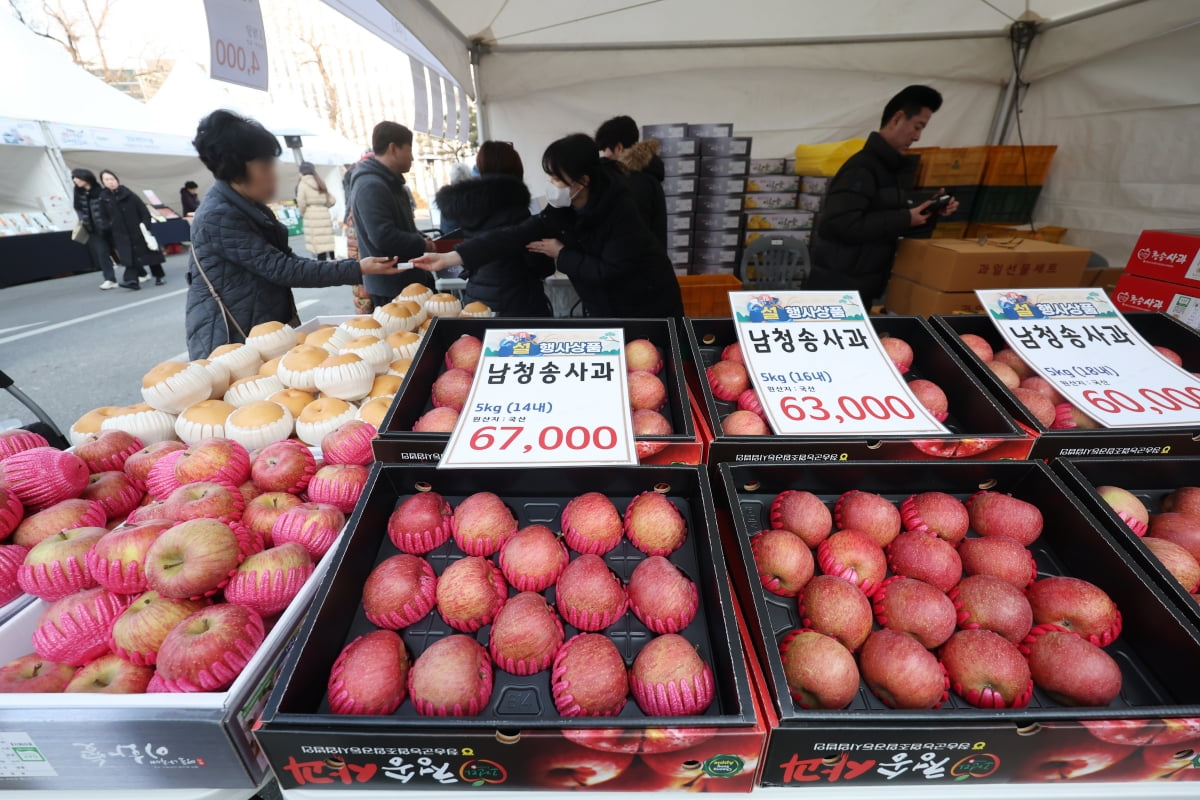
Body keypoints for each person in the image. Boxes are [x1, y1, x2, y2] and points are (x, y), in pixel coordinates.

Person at [185, 109, 402, 359]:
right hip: (232, 341)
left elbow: (287, 262)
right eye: (265, 165)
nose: (273, 174)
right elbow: (282, 269)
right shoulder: (219, 215)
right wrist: (357, 269)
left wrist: (357, 267)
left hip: (262, 331)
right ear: (236, 167)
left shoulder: (250, 207)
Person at [413, 133, 683, 318]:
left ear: (583, 180)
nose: (551, 184)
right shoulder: (563, 207)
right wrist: (453, 255)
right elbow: (513, 235)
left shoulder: (620, 211)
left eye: (556, 178)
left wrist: (561, 254)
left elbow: (609, 271)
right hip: (607, 307)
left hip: (646, 305)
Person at [810, 85, 959, 303]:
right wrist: (906, 217)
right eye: (917, 127)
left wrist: (929, 212)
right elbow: (839, 224)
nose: (917, 137)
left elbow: (885, 223)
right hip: (838, 290)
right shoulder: (861, 168)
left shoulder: (888, 170)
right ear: (898, 118)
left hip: (862, 286)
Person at [433, 141, 553, 316]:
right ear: (516, 169)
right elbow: (540, 264)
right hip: (518, 303)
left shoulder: (466, 207)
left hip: (476, 300)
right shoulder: (516, 208)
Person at [348, 121, 435, 308]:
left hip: (407, 280)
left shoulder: (390, 182)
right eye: (409, 149)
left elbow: (402, 226)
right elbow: (383, 237)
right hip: (392, 288)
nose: (412, 157)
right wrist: (421, 244)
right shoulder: (371, 185)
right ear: (393, 148)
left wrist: (420, 237)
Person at [595, 115, 667, 248]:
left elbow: (630, 236)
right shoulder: (647, 176)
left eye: (605, 150)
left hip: (639, 264)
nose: (604, 156)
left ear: (618, 148)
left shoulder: (632, 184)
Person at [98, 169, 166, 289]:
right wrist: (109, 226)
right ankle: (131, 280)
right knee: (129, 257)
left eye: (112, 179)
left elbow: (143, 211)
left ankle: (159, 276)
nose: (110, 182)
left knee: (150, 254)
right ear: (103, 182)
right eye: (107, 180)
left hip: (138, 230)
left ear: (117, 180)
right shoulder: (103, 199)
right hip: (120, 233)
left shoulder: (129, 194)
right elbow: (103, 217)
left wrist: (145, 225)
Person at [71, 168, 118, 290]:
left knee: (123, 250)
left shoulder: (100, 191)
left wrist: (109, 223)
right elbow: (78, 208)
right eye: (74, 178)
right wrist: (84, 221)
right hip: (92, 229)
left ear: (86, 178)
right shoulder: (77, 192)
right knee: (102, 254)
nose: (75, 180)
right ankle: (110, 279)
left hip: (109, 227)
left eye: (77, 177)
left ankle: (139, 272)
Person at [295, 162, 336, 260]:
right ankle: (334, 261)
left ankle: (322, 265)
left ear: (301, 172)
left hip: (311, 214)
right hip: (324, 213)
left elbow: (301, 202)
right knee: (328, 240)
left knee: (318, 243)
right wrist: (323, 206)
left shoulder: (302, 184)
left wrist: (303, 213)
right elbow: (332, 200)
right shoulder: (319, 182)